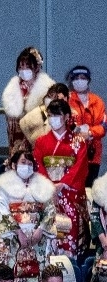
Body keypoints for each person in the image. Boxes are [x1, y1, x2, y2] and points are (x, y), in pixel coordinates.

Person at [0, 148, 57, 282]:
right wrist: (18, 232)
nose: (27, 166)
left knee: (39, 278)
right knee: (8, 276)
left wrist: (40, 230)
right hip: (12, 239)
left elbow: (50, 211)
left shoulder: (42, 187)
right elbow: (1, 211)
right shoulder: (3, 187)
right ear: (14, 165)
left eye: (30, 163)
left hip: (37, 240)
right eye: (23, 162)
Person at [33, 99, 89, 257]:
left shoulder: (78, 142)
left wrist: (62, 184)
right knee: (48, 237)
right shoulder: (41, 142)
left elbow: (80, 167)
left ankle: (69, 268)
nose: (52, 119)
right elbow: (38, 165)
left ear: (66, 117)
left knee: (69, 235)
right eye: (49, 115)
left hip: (70, 194)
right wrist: (50, 187)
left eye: (56, 115)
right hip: (48, 194)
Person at [2, 47, 56, 152]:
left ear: (37, 67)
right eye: (21, 66)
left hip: (38, 133)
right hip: (17, 134)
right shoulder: (13, 88)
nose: (24, 70)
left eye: (28, 66)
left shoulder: (48, 88)